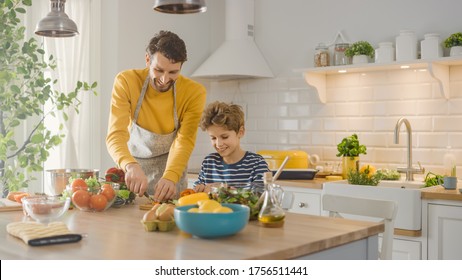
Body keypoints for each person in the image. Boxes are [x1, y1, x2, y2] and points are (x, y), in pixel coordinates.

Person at [106, 30, 206, 202]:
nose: (165, 79)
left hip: (170, 177)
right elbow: (116, 135)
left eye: (173, 73)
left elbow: (184, 140)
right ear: (147, 60)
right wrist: (129, 165)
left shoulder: (194, 92)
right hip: (132, 173)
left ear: (181, 66)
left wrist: (171, 176)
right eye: (159, 70)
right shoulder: (126, 82)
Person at [194, 101, 269, 192]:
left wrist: (225, 191)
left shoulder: (256, 163)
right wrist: (198, 190)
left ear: (240, 132)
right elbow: (197, 190)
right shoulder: (209, 163)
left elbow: (261, 198)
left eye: (224, 137)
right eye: (213, 138)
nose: (219, 144)